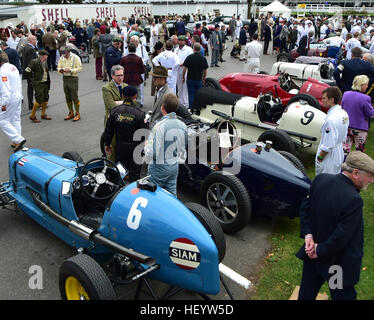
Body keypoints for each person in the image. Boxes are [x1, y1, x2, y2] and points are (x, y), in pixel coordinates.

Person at [296, 151, 374, 300]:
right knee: (341, 296)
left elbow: (305, 209)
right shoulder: (353, 199)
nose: (371, 180)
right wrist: (319, 250)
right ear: (356, 173)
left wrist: (308, 235)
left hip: (313, 257)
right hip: (336, 264)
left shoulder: (320, 180)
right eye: (370, 176)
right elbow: (342, 235)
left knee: (306, 295)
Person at [144, 92, 187, 196]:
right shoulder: (183, 125)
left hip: (159, 168)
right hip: (174, 166)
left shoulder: (159, 126)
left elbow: (152, 154)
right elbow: (183, 148)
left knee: (152, 195)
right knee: (171, 196)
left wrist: (146, 146)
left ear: (162, 107)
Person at [103, 85, 147, 182]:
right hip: (135, 149)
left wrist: (107, 144)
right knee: (135, 176)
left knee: (120, 173)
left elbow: (108, 130)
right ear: (135, 96)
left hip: (120, 147)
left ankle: (119, 189)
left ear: (122, 96)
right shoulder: (140, 114)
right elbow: (144, 134)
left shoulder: (114, 111)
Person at [315, 86, 349, 176]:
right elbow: (344, 135)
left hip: (329, 157)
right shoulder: (343, 114)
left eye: (324, 98)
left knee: (324, 182)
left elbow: (328, 145)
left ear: (331, 100)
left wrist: (319, 157)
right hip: (339, 152)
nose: (322, 100)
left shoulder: (331, 119)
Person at [341, 75, 374, 154]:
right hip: (360, 128)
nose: (367, 86)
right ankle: (356, 166)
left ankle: (343, 164)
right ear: (361, 85)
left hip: (347, 126)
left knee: (345, 149)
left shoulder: (345, 94)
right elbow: (370, 114)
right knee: (359, 152)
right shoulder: (366, 98)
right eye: (366, 84)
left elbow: (342, 109)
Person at [0, 52, 26, 152]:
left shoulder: (2, 71)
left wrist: (3, 103)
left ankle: (18, 139)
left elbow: (5, 89)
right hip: (17, 94)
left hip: (10, 97)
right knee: (15, 119)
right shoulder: (13, 67)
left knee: (3, 120)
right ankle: (16, 140)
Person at [24, 50, 52, 123]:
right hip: (38, 83)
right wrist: (32, 79)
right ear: (42, 56)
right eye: (46, 55)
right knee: (39, 99)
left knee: (46, 98)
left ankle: (43, 114)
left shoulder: (45, 62)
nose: (47, 57)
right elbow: (27, 71)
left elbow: (46, 71)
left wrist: (49, 80)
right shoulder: (35, 62)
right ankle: (32, 115)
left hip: (46, 82)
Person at [57, 46, 83, 121]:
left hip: (73, 78)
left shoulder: (75, 57)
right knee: (67, 96)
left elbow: (80, 68)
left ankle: (77, 113)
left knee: (74, 96)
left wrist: (71, 70)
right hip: (65, 79)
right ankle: (71, 112)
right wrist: (60, 70)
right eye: (61, 53)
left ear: (68, 51)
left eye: (64, 53)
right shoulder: (62, 58)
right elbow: (58, 67)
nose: (62, 55)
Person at [182, 43, 208, 109]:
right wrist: (204, 78)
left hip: (190, 79)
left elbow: (184, 69)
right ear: (200, 49)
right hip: (199, 79)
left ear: (193, 49)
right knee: (198, 95)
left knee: (191, 95)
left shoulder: (189, 57)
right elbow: (205, 71)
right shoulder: (203, 58)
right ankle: (198, 108)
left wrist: (183, 77)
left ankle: (191, 108)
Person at [120, 42, 145, 107]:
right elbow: (142, 70)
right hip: (136, 79)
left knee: (126, 93)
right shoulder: (138, 59)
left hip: (126, 79)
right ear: (135, 49)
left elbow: (121, 69)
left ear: (128, 49)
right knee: (137, 94)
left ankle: (127, 105)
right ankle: (137, 106)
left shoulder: (123, 59)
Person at [175, 35, 193, 107]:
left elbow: (191, 60)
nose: (180, 42)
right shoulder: (176, 49)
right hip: (178, 70)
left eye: (182, 40)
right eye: (179, 40)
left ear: (185, 41)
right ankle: (181, 102)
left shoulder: (189, 49)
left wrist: (184, 64)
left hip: (186, 70)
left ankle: (186, 103)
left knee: (185, 87)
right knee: (179, 86)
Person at [21, 35, 38, 110]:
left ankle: (31, 103)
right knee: (34, 88)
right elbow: (31, 63)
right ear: (31, 40)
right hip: (31, 73)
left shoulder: (26, 47)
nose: (36, 41)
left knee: (30, 88)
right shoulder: (30, 49)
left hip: (27, 71)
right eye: (35, 39)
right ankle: (34, 104)